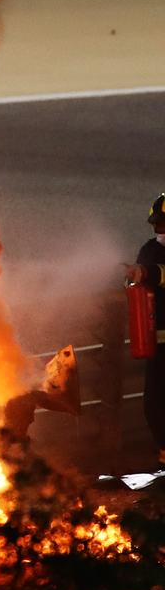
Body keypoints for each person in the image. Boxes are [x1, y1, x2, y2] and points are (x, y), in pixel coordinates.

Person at [125, 193, 165, 462]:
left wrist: (148, 273)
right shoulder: (150, 249)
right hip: (159, 346)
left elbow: (157, 273)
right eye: (157, 225)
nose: (159, 231)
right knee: (155, 403)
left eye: (164, 225)